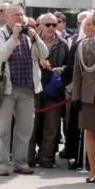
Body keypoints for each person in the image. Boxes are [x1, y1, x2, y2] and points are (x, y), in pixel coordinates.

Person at [0, 3, 48, 176]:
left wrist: (36, 38)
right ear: (6, 17)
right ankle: (1, 163)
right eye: (16, 14)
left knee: (25, 128)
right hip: (7, 88)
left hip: (27, 87)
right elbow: (1, 55)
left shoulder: (29, 35)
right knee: (3, 128)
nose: (20, 17)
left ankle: (20, 162)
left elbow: (44, 54)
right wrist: (14, 38)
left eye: (22, 14)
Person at [30, 13, 68, 168]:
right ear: (40, 26)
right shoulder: (30, 41)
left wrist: (62, 69)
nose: (52, 27)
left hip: (54, 89)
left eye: (54, 24)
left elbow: (69, 65)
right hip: (34, 87)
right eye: (48, 25)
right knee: (31, 127)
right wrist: (37, 60)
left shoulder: (63, 44)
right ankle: (28, 159)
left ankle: (46, 159)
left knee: (51, 128)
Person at [72, 11, 95, 182]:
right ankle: (92, 169)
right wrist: (76, 97)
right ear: (94, 26)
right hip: (89, 96)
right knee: (90, 133)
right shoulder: (83, 46)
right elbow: (77, 73)